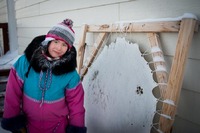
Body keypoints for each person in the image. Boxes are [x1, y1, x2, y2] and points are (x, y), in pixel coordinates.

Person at [1, 19, 87, 133]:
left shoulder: (70, 74)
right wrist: (13, 119)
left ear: (69, 49)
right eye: (56, 41)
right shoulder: (26, 62)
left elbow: (76, 104)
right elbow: (12, 92)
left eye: (64, 44)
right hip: (28, 125)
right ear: (48, 41)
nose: (59, 48)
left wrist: (76, 128)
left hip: (58, 126)